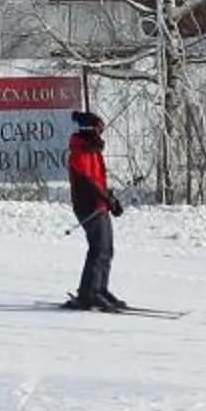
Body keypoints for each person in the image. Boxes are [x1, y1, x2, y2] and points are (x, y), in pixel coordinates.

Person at [65, 109, 125, 311]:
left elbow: (99, 181)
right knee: (98, 249)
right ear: (90, 130)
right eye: (99, 131)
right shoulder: (79, 151)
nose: (101, 135)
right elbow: (88, 182)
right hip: (88, 206)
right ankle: (89, 293)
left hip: (99, 205)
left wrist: (111, 198)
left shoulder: (92, 151)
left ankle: (99, 288)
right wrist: (105, 198)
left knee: (106, 249)